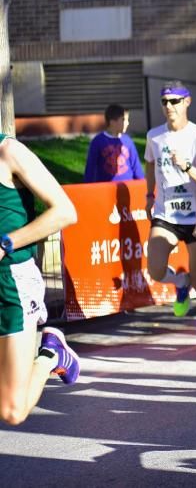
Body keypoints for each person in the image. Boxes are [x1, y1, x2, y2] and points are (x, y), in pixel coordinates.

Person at [0, 134, 79, 425]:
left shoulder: (9, 152)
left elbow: (65, 212)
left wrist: (4, 243)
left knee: (12, 411)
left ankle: (51, 355)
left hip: (12, 284)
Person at [143, 81, 196, 350]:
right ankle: (179, 281)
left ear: (187, 102)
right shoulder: (154, 136)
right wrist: (149, 195)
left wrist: (185, 166)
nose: (169, 106)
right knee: (155, 268)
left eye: (174, 101)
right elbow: (150, 163)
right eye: (164, 101)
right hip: (167, 214)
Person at [84, 104, 144, 183]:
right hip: (105, 189)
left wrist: (142, 184)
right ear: (112, 121)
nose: (128, 123)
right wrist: (88, 187)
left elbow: (136, 167)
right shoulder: (98, 141)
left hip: (128, 187)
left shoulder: (128, 141)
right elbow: (90, 169)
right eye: (123, 120)